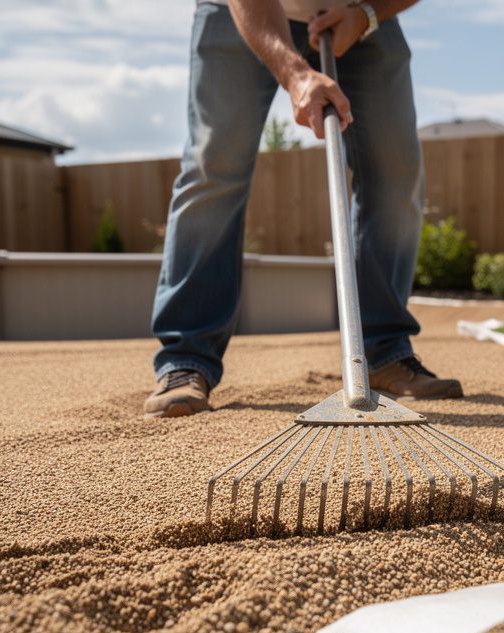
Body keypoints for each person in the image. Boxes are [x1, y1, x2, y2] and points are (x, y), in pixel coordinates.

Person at [145, 0, 464, 418]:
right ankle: (186, 358)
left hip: (360, 12)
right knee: (215, 166)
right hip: (243, 11)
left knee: (396, 172)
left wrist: (366, 14)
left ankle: (384, 352)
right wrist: (295, 74)